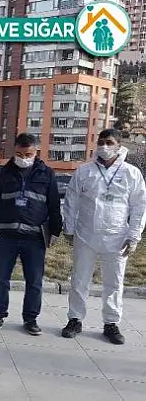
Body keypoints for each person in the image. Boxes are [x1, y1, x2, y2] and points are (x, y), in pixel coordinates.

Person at [61, 129, 146, 345]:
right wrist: (69, 229)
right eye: (101, 142)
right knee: (79, 279)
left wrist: (134, 236)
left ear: (119, 145)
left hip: (117, 237)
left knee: (114, 282)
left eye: (109, 142)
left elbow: (139, 206)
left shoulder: (131, 173)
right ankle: (75, 319)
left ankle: (111, 323)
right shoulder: (85, 171)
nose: (104, 147)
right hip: (86, 234)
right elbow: (71, 200)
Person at [0, 133, 62, 335]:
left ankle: (31, 319)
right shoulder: (4, 173)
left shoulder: (47, 174)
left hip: (34, 238)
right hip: (6, 236)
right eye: (19, 154)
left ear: (36, 152)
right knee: (0, 278)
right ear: (14, 151)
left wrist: (55, 231)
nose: (23, 158)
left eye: (28, 154)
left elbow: (54, 205)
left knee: (34, 281)